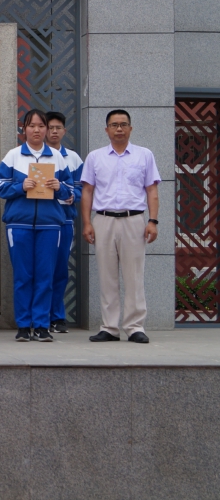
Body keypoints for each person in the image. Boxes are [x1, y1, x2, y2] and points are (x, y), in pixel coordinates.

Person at [81, 109, 161, 344]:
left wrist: (153, 221)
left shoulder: (144, 155)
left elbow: (152, 190)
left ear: (130, 128)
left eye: (123, 124)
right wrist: (87, 222)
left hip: (134, 220)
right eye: (114, 125)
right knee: (107, 276)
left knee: (134, 275)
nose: (119, 129)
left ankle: (135, 327)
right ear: (106, 129)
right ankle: (109, 327)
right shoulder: (95, 157)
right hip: (103, 220)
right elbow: (87, 191)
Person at [0, 109, 75, 342]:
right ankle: (23, 325)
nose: (37, 130)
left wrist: (59, 187)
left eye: (41, 126)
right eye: (32, 126)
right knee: (23, 275)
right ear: (24, 129)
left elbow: (71, 190)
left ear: (46, 129)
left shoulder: (57, 157)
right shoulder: (13, 156)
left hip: (50, 225)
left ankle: (41, 325)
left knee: (45, 276)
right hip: (19, 224)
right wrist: (21, 186)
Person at [45, 111, 83, 334]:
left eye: (58, 128)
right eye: (50, 128)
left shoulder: (73, 158)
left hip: (65, 220)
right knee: (43, 270)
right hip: (42, 220)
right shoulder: (37, 156)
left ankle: (57, 316)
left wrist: (72, 196)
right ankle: (41, 316)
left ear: (64, 131)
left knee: (60, 269)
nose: (54, 132)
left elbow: (82, 188)